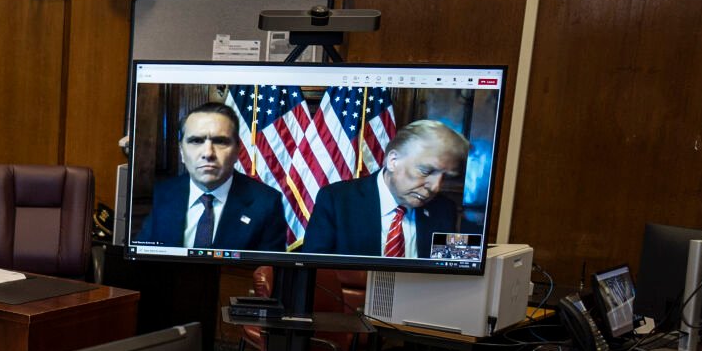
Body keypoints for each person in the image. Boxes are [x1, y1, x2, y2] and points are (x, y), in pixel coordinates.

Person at [301, 119, 470, 258]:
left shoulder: (443, 209)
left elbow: (450, 276)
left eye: (445, 176)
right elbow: (315, 273)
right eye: (426, 171)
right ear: (393, 161)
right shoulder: (336, 200)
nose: (436, 187)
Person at [135, 102, 290, 253]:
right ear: (182, 151)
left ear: (237, 151)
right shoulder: (164, 193)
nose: (208, 153)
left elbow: (267, 272)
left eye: (220, 141)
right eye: (196, 141)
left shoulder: (266, 203)